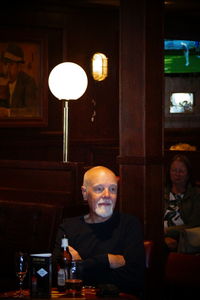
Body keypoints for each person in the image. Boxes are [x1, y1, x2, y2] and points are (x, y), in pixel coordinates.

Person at [53, 166, 145, 296]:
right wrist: (106, 261)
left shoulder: (129, 225)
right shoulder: (68, 227)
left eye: (113, 189)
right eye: (99, 189)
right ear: (85, 193)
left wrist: (81, 266)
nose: (107, 195)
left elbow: (134, 279)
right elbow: (59, 276)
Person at [164, 154, 200, 251]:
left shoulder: (196, 194)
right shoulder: (162, 192)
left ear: (188, 174)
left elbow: (194, 224)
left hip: (184, 239)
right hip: (161, 237)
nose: (177, 174)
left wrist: (167, 232)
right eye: (174, 170)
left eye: (181, 171)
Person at [0, 43, 38, 115]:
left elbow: (32, 111)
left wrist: (8, 112)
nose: (7, 69)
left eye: (11, 64)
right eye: (5, 64)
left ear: (19, 67)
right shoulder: (3, 81)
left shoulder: (28, 82)